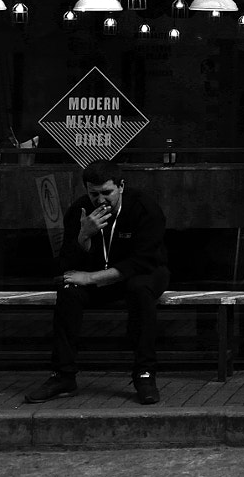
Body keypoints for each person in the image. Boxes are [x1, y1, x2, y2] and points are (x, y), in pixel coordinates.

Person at [23, 160, 169, 405]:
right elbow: (64, 265)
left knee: (140, 290)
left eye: (107, 193)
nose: (101, 200)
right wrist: (82, 236)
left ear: (121, 186)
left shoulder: (144, 208)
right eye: (94, 194)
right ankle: (63, 376)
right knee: (68, 290)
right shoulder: (80, 210)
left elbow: (141, 262)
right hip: (99, 278)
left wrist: (91, 277)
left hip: (141, 274)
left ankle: (145, 374)